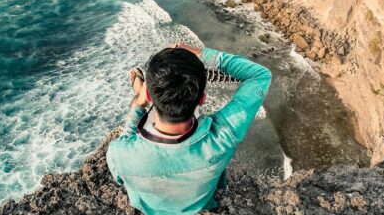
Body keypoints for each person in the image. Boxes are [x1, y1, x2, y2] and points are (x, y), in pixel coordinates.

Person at [106, 43, 272, 215]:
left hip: (149, 209)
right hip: (201, 206)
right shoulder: (223, 136)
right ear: (202, 99)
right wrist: (202, 53)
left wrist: (139, 103)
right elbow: (259, 75)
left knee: (151, 118)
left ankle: (141, 91)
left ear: (148, 95)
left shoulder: (119, 153)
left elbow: (125, 149)